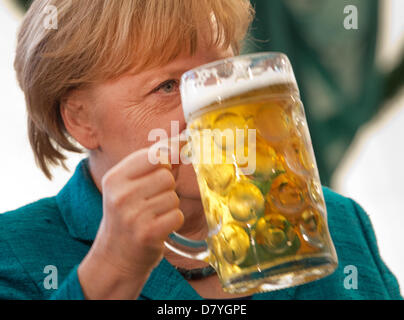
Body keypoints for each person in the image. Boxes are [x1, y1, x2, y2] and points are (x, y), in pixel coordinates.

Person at [0, 0, 401, 300]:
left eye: (220, 73)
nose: (219, 111)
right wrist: (114, 268)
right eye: (169, 86)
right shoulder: (15, 253)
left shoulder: (341, 225)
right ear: (81, 119)